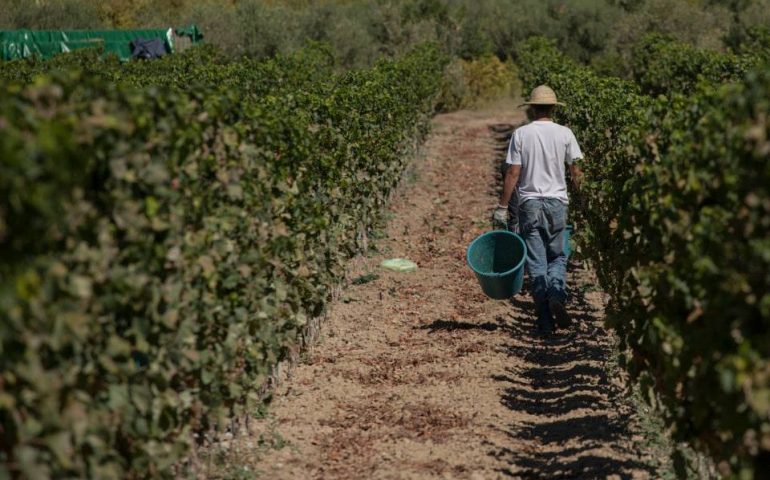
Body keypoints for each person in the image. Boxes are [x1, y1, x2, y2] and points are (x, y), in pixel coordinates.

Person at [493, 85, 584, 334]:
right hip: (557, 203)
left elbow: (513, 172)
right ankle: (557, 294)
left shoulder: (522, 134)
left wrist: (502, 206)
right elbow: (575, 171)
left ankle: (545, 320)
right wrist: (583, 199)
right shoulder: (565, 133)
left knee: (536, 262)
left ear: (532, 108)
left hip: (529, 204)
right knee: (558, 256)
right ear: (554, 108)